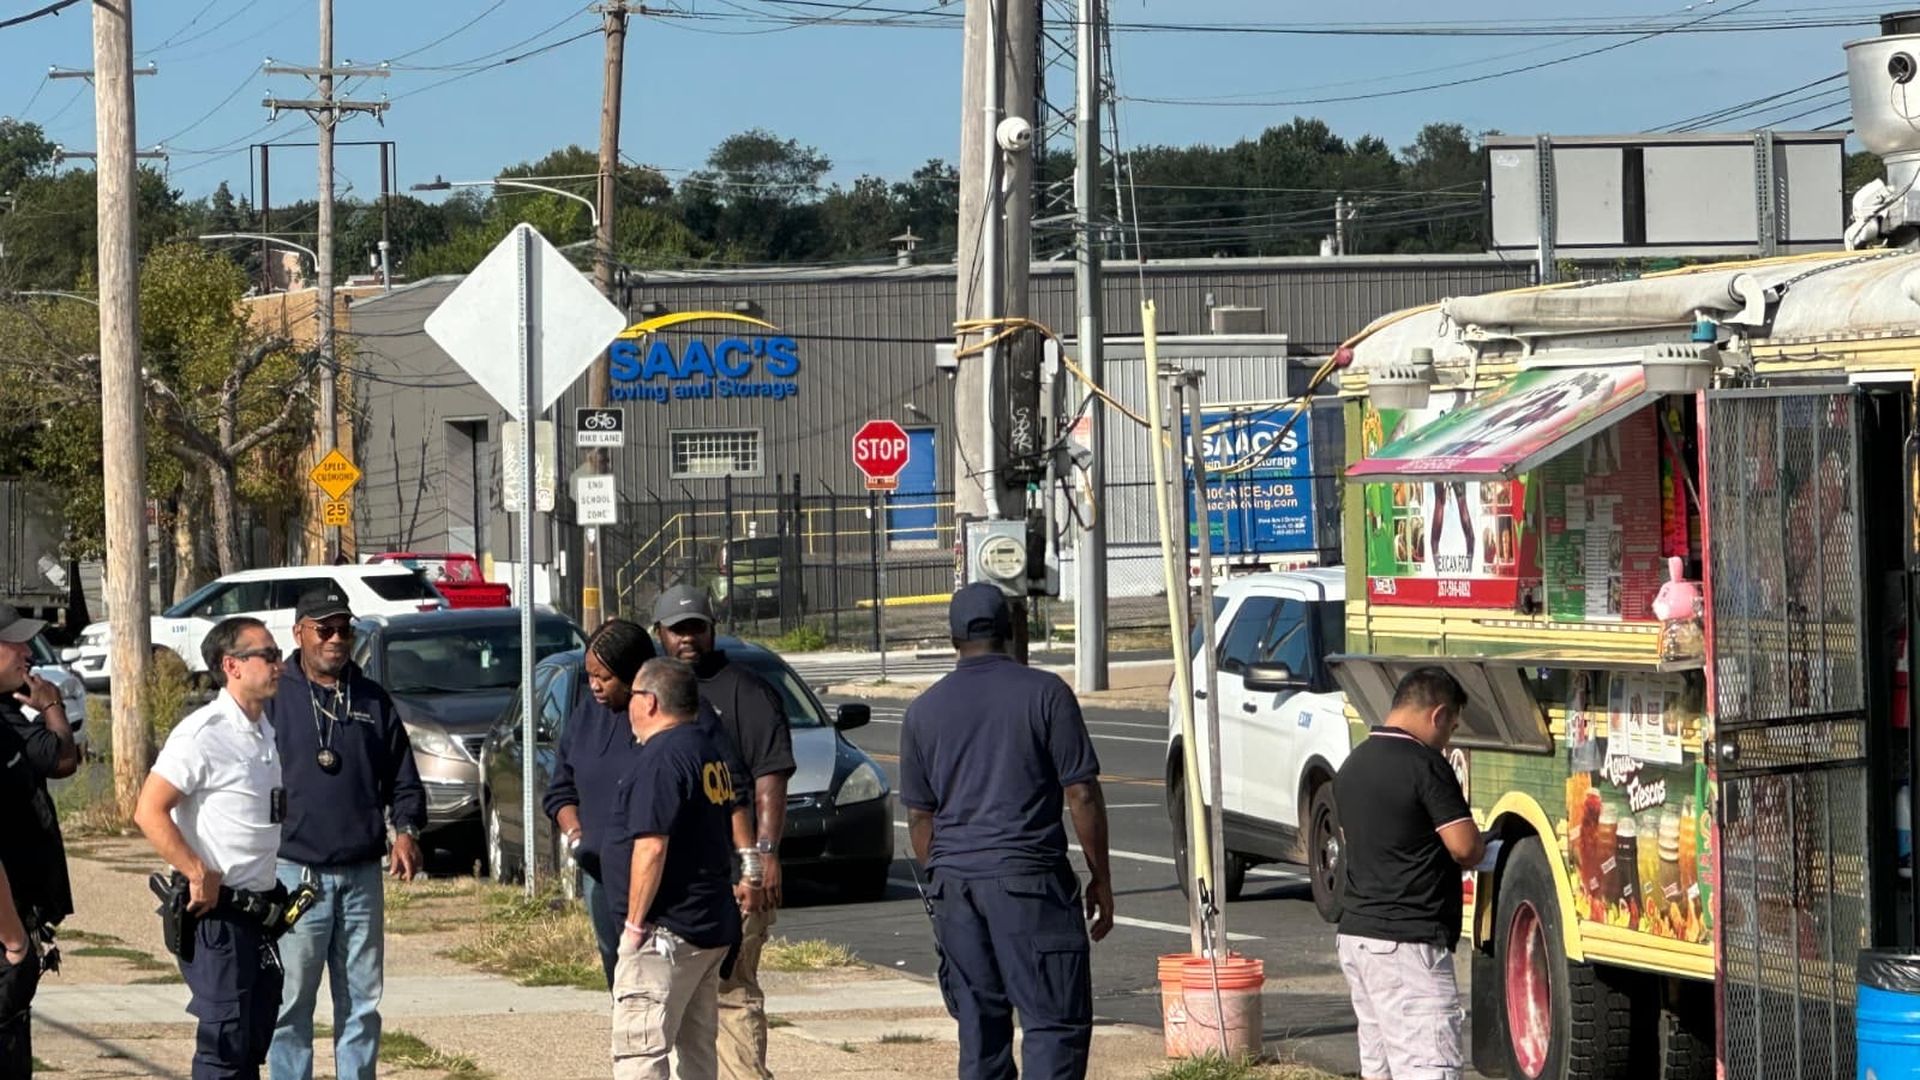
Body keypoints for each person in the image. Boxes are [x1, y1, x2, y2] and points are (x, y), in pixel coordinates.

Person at [899, 583, 1115, 1080]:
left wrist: (944, 884)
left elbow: (918, 817)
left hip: (956, 887)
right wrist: (1100, 875)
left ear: (953, 637)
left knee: (980, 1031)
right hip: (1029, 881)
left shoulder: (922, 711)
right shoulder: (1045, 693)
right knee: (1052, 1025)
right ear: (1011, 630)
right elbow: (1080, 792)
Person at [267, 587, 427, 1080]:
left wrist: (406, 831)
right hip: (295, 873)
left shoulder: (372, 699)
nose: (337, 639)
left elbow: (403, 777)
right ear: (299, 633)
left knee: (361, 1000)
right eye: (325, 629)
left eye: (344, 629)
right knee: (290, 1000)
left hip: (360, 875)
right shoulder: (275, 696)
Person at [546, 619, 756, 990]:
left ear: (635, 675)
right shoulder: (586, 716)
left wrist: (748, 864)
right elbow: (560, 789)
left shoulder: (681, 719)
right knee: (624, 981)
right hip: (602, 875)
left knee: (662, 990)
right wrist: (578, 837)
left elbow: (731, 788)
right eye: (589, 675)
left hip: (672, 886)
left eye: (605, 677)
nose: (594, 685)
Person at [133, 617, 289, 1080]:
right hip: (217, 916)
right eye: (268, 655)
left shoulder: (264, 730)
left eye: (278, 654)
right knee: (223, 1045)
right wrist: (196, 871)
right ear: (232, 665)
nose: (279, 664)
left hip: (258, 912)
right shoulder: (204, 733)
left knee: (250, 1042)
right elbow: (149, 810)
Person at [653, 585, 793, 1080]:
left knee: (732, 990)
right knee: (675, 1002)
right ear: (660, 634)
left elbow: (770, 780)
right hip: (674, 880)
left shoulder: (747, 692)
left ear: (713, 629)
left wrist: (765, 854)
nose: (687, 638)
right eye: (677, 629)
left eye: (697, 627)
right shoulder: (652, 696)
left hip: (736, 872)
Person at [1333, 667, 1485, 1080]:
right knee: (1428, 1066)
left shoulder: (1353, 765)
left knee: (1380, 1067)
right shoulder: (1425, 765)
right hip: (1407, 942)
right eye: (1450, 727)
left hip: (1358, 938)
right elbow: (1465, 847)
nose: (1448, 739)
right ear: (1437, 715)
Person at [607, 658, 745, 1080]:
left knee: (640, 1054)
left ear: (649, 702)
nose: (628, 705)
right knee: (698, 1051)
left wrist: (633, 929)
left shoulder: (662, 758)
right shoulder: (706, 750)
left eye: (632, 696)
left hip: (668, 934)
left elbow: (651, 847)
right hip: (709, 926)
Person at [0, 603, 78, 1076]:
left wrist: (49, 703)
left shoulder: (8, 713)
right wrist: (13, 943)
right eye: (15, 643)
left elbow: (61, 761)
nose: (27, 651)